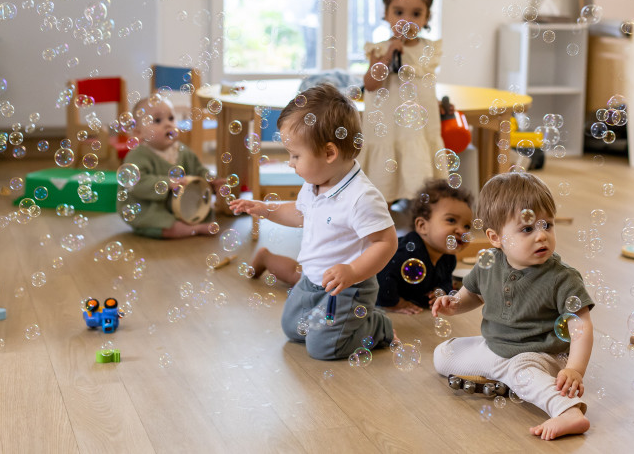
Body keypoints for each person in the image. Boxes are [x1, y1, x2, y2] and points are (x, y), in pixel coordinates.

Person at [230, 83, 398, 360]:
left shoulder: (362, 197)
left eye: (295, 155)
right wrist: (266, 209)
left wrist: (353, 271)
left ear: (329, 153)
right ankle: (344, 323)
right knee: (292, 328)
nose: (290, 163)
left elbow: (386, 242)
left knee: (323, 348)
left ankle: (376, 325)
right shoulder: (315, 183)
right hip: (312, 277)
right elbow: (300, 213)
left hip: (348, 287)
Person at [432, 172, 594, 441]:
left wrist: (574, 369)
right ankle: (507, 379)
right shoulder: (488, 262)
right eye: (528, 229)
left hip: (541, 354)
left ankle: (568, 412)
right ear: (496, 238)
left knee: (523, 371)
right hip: (496, 347)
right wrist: (453, 304)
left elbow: (582, 325)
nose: (542, 236)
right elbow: (471, 294)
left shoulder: (562, 277)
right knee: (443, 354)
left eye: (547, 225)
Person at [360, 0, 446, 203]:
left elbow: (424, 83)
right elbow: (370, 84)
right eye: (399, 13)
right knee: (381, 189)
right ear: (386, 14)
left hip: (417, 129)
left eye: (416, 14)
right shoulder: (378, 50)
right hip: (386, 129)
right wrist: (389, 54)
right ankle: (381, 223)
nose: (406, 20)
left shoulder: (429, 49)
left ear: (427, 17)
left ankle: (422, 224)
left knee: (421, 186)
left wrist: (438, 104)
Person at [122, 96, 224, 238]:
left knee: (204, 210)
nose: (168, 124)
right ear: (138, 132)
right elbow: (137, 183)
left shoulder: (182, 150)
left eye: (171, 118)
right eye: (157, 120)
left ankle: (192, 223)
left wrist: (211, 180)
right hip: (150, 208)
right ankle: (195, 229)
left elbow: (198, 170)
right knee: (170, 228)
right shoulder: (138, 156)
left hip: (179, 206)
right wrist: (167, 182)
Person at [376, 178, 473, 314]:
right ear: (422, 226)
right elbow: (383, 274)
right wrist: (394, 303)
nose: (462, 231)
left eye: (467, 226)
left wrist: (442, 290)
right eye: (451, 220)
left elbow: (446, 279)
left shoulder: (449, 258)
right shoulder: (406, 252)